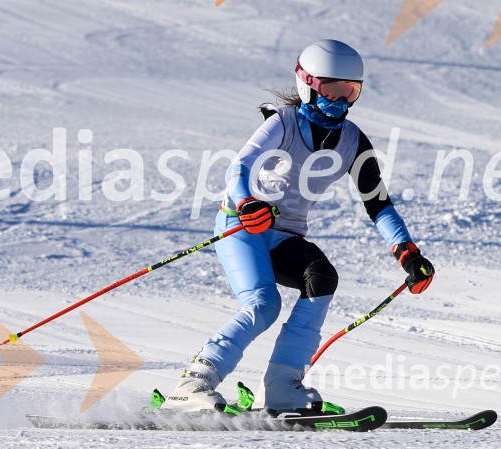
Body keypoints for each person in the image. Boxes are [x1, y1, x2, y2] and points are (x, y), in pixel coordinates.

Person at [162, 39, 435, 414]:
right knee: (264, 303)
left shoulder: (353, 141)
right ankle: (194, 383)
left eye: (350, 91)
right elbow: (239, 167)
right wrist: (246, 202)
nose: (340, 102)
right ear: (308, 85)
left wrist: (407, 252)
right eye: (331, 90)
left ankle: (282, 385)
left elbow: (378, 203)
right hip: (242, 225)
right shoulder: (283, 122)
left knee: (322, 278)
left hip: (285, 235)